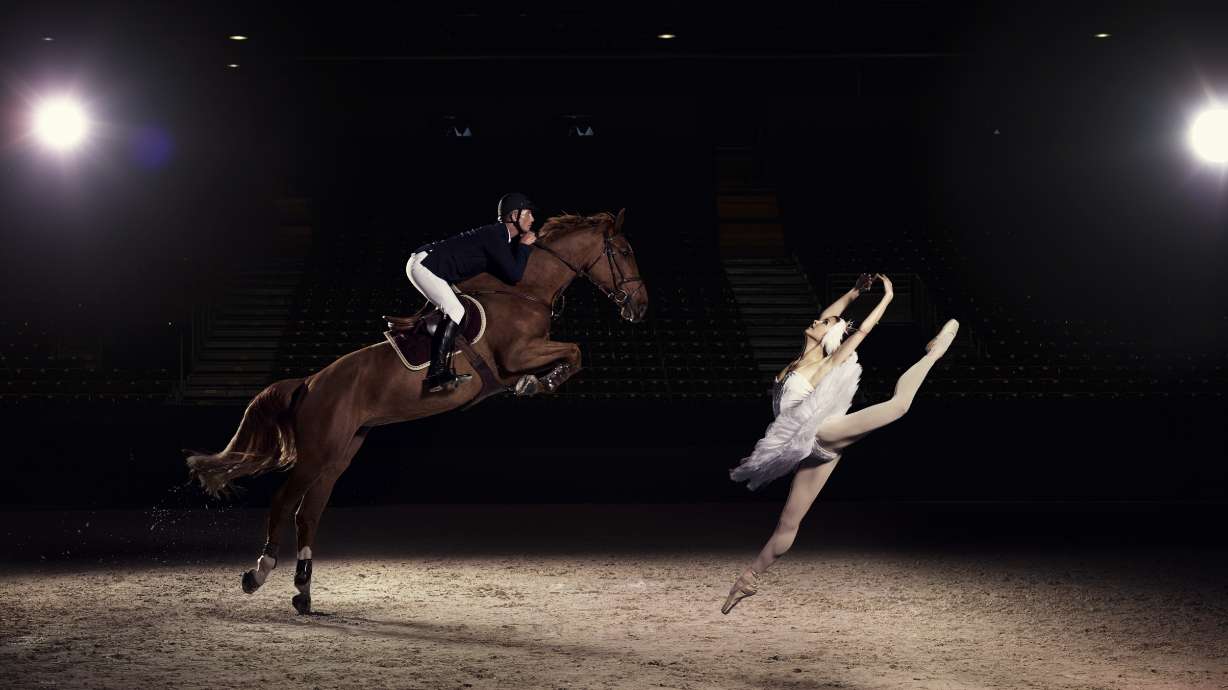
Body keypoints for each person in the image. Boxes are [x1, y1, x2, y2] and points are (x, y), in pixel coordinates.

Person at [722, 273, 960, 614]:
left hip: (823, 432)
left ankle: (933, 354)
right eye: (821, 319)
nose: (818, 320)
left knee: (900, 405)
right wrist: (853, 292)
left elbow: (860, 331)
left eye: (824, 322)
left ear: (826, 336)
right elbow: (829, 317)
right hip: (813, 450)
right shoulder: (802, 355)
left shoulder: (826, 361)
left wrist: (887, 298)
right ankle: (748, 579)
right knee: (789, 523)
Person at [405, 193, 539, 392]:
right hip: (425, 265)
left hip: (431, 266)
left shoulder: (501, 237)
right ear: (513, 216)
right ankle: (436, 375)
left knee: (456, 309)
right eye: (528, 214)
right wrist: (524, 247)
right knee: (455, 311)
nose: (533, 219)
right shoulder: (496, 235)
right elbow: (514, 275)